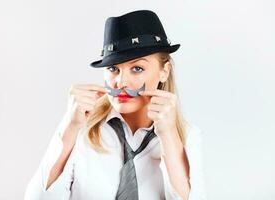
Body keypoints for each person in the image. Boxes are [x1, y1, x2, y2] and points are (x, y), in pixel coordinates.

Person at [24, 10, 207, 200]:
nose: (120, 82)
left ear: (164, 71)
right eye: (113, 69)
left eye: (137, 69)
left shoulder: (187, 136)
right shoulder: (81, 128)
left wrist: (169, 136)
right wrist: (70, 127)